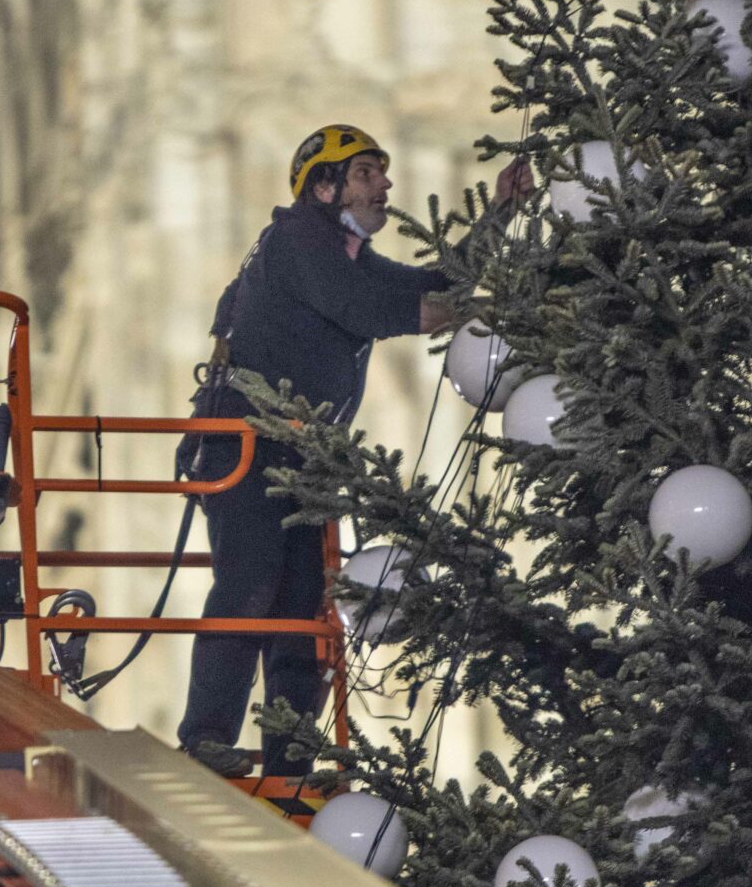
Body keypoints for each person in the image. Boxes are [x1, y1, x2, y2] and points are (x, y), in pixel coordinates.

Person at [178, 125, 528, 777]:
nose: (385, 185)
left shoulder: (341, 250)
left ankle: (290, 750)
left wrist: (501, 212)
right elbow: (365, 307)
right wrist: (440, 312)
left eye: (382, 172)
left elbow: (432, 280)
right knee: (251, 585)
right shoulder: (298, 238)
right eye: (367, 173)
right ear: (324, 185)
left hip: (301, 454)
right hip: (245, 441)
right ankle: (205, 735)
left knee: (304, 602)